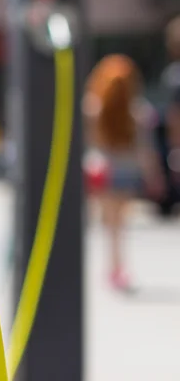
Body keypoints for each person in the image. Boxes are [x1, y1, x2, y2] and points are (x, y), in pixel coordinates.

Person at [83, 54, 165, 291]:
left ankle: (113, 266)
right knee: (119, 224)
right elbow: (145, 150)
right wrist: (154, 175)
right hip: (127, 172)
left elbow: (90, 144)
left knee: (110, 223)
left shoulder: (94, 108)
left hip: (105, 171)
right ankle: (117, 266)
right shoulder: (138, 112)